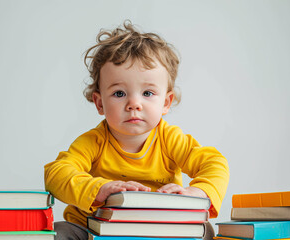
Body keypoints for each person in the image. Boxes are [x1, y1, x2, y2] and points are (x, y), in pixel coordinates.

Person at [44, 21, 229, 240]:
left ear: (166, 102)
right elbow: (56, 174)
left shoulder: (171, 140)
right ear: (100, 102)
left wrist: (198, 192)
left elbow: (214, 163)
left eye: (148, 93)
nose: (134, 104)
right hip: (95, 229)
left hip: (159, 231)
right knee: (58, 232)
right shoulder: (94, 142)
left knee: (204, 231)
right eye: (120, 93)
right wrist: (98, 189)